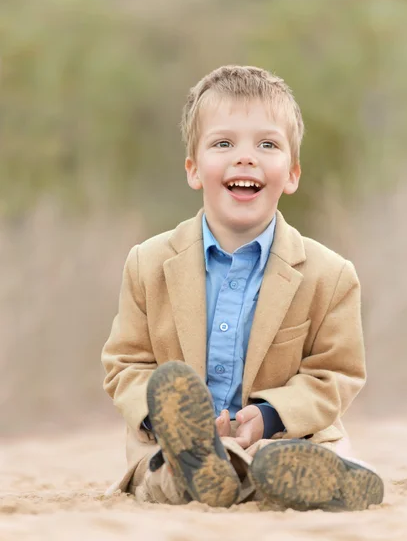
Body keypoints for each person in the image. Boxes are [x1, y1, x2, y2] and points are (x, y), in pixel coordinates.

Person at [101, 65, 384, 511]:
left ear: (291, 174)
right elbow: (126, 364)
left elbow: (336, 375)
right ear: (194, 170)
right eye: (223, 143)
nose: (245, 157)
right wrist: (170, 421)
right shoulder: (148, 264)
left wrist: (271, 416)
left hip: (288, 437)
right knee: (166, 476)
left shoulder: (330, 275)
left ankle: (313, 478)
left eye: (267, 144)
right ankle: (199, 470)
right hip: (176, 445)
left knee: (287, 460)